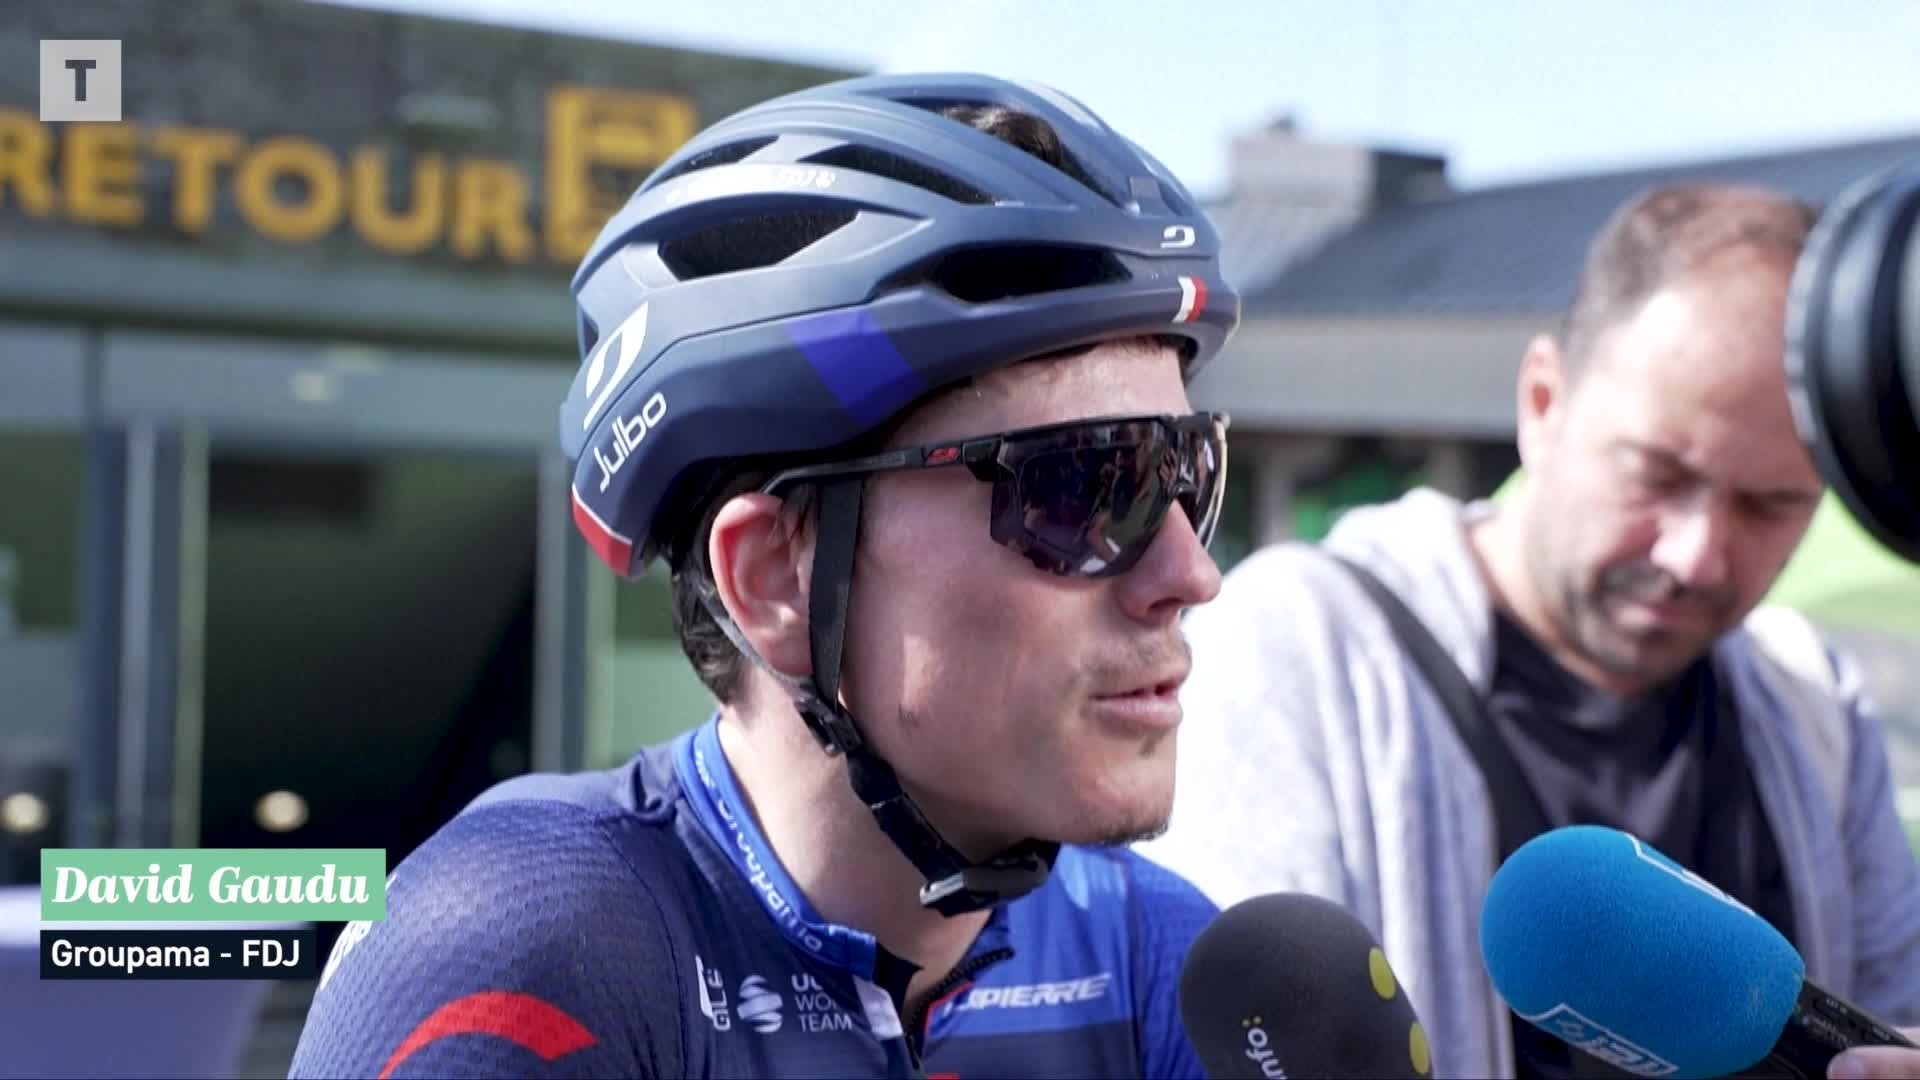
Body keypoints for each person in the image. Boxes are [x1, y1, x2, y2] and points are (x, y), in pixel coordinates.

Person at [290, 73, 1238, 1079]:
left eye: (1187, 472)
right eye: (1086, 484)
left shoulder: (1168, 966)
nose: (1190, 572)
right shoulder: (527, 947)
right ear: (772, 575)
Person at [1136, 183, 1920, 1079]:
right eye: (1658, 474)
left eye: (1772, 505)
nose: (1699, 553)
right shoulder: (1297, 652)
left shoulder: (1813, 699)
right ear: (1542, 404)